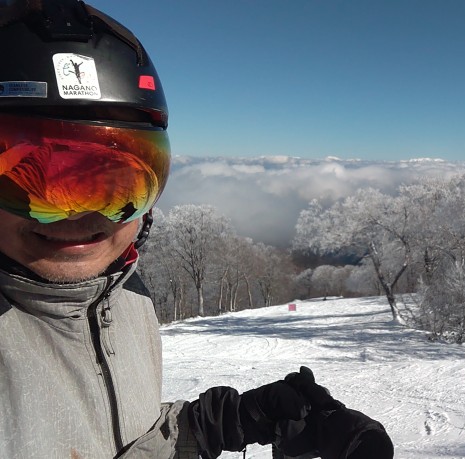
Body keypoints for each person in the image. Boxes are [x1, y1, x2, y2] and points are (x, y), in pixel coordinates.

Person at [0, 1, 394, 458]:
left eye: (119, 180)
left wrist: (237, 421)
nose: (81, 217)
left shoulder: (125, 295)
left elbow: (121, 443)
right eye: (25, 180)